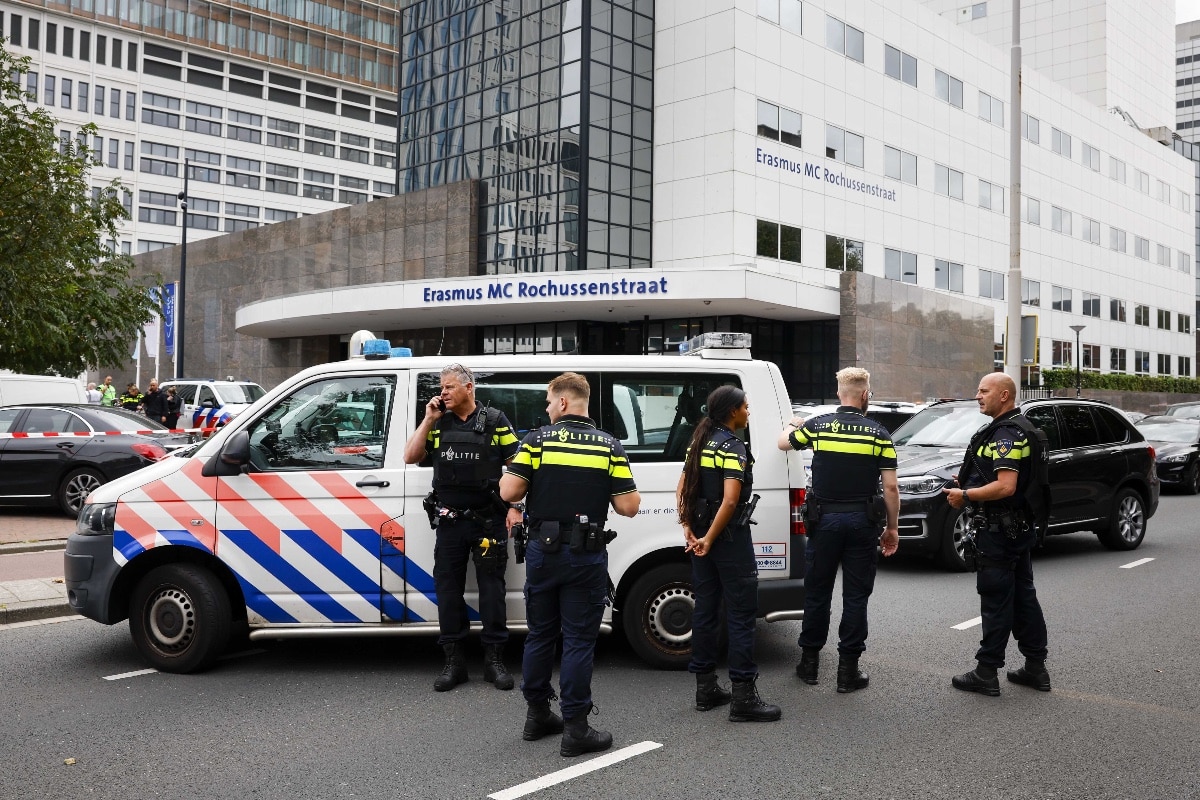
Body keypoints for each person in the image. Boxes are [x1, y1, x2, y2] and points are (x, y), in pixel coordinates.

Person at [500, 372, 640, 758]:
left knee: (540, 635)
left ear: (562, 402)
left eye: (548, 402)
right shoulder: (609, 446)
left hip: (544, 554)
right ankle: (576, 728)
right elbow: (628, 506)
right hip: (585, 556)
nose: (547, 409)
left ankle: (537, 715)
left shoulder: (537, 440)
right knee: (578, 640)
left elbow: (509, 491)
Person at [777, 367, 899, 693]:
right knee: (856, 596)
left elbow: (782, 444)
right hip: (862, 523)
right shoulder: (878, 434)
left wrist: (793, 423)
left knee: (817, 593)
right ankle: (848, 672)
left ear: (839, 395)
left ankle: (809, 665)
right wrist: (892, 529)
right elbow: (891, 490)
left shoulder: (818, 426)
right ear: (864, 395)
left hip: (824, 522)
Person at [402, 363, 523, 692]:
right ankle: (454, 663)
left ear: (469, 388)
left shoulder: (496, 421)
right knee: (448, 591)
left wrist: (515, 507)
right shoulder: (439, 423)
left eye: (449, 387)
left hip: (488, 521)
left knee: (492, 591)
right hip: (450, 521)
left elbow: (519, 468)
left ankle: (494, 661)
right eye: (442, 388)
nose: (443, 393)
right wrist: (429, 418)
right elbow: (410, 456)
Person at [944, 372, 1050, 697]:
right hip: (1018, 528)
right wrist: (972, 482)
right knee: (1023, 597)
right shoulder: (1023, 428)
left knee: (996, 600)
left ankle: (986, 671)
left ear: (1004, 395)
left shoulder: (1006, 433)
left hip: (999, 532)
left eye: (983, 391)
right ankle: (1035, 667)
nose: (977, 395)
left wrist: (966, 496)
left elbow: (1006, 486)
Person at [678, 385, 781, 722]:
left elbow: (682, 488)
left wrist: (688, 529)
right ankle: (743, 698)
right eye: (746, 407)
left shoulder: (699, 441)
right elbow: (731, 500)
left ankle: (705, 690)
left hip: (700, 537)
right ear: (732, 411)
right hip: (728, 540)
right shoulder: (733, 446)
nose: (748, 412)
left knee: (705, 610)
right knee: (740, 614)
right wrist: (710, 536)